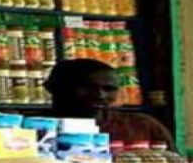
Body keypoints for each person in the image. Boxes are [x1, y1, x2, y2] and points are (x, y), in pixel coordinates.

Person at [44, 58, 174, 148]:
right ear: (54, 88)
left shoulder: (142, 126)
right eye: (87, 87)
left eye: (109, 89)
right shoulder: (36, 129)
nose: (100, 95)